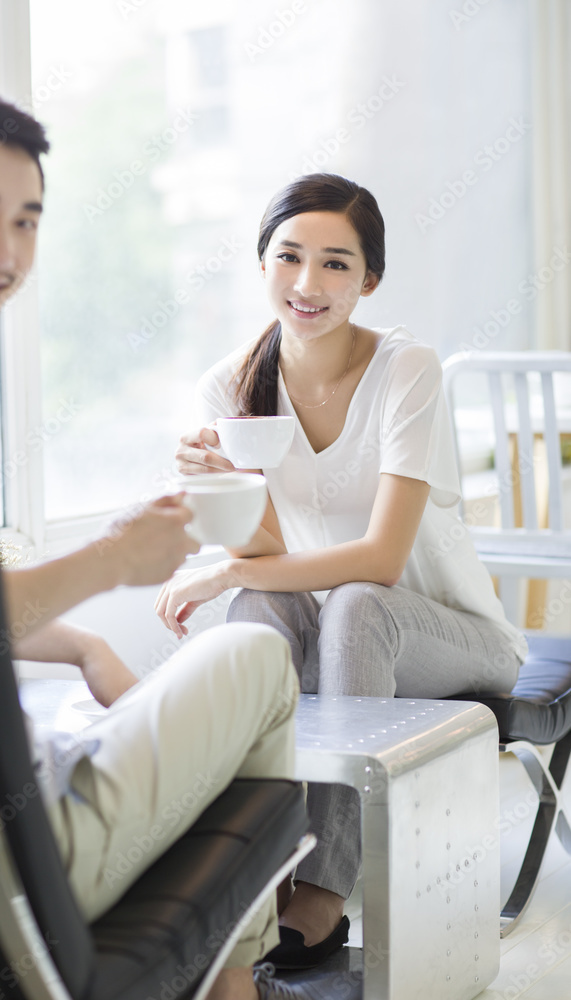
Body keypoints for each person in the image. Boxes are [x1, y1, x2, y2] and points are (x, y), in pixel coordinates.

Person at [0, 82, 306, 1000]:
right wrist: (115, 560)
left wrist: (85, 642)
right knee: (254, 655)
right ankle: (237, 986)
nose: (2, 251)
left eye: (27, 220)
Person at [157, 172, 529, 970]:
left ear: (369, 279)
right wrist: (218, 489)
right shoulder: (228, 385)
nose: (306, 283)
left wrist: (219, 574)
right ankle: (252, 862)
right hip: (333, 623)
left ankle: (324, 885)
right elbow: (260, 557)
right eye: (288, 256)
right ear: (261, 264)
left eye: (334, 263)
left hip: (447, 633)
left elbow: (383, 561)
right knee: (258, 612)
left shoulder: (406, 370)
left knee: (355, 602)